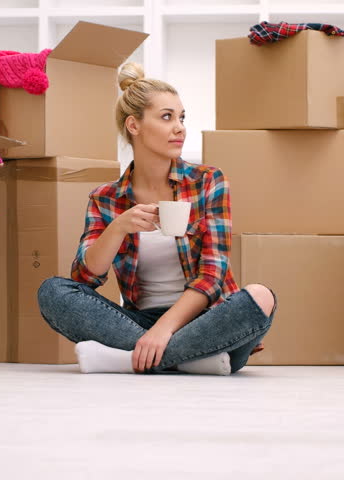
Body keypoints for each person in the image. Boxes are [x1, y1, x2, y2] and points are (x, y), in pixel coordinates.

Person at [36, 62, 276, 375]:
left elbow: (212, 277)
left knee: (260, 297)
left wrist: (162, 332)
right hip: (138, 322)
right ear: (134, 125)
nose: (180, 128)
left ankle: (129, 359)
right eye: (167, 117)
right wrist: (119, 226)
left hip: (207, 320)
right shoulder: (105, 198)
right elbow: (84, 279)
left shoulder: (209, 181)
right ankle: (193, 361)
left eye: (181, 117)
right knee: (53, 292)